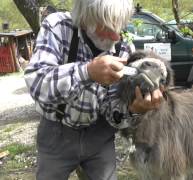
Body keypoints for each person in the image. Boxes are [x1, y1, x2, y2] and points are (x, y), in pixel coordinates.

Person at [24, 0, 163, 179]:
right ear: (84, 18)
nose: (115, 37)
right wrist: (87, 72)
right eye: (106, 26)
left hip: (100, 137)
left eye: (119, 26)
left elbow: (114, 114)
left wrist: (135, 110)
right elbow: (37, 83)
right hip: (56, 134)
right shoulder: (57, 26)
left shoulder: (124, 48)